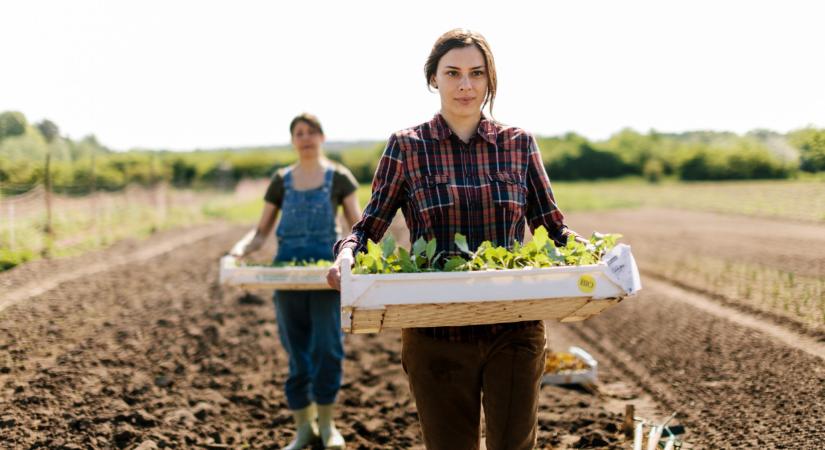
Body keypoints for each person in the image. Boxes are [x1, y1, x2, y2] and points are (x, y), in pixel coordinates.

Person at [327, 29, 588, 450]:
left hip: (513, 325)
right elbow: (369, 226)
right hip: (436, 331)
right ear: (434, 78)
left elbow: (553, 226)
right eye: (453, 73)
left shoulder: (518, 144)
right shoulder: (408, 147)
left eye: (476, 73)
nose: (465, 85)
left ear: (490, 79)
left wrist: (592, 253)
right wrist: (347, 256)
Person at [231, 113, 361, 450]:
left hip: (326, 278)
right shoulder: (281, 180)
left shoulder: (339, 178)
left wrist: (359, 261)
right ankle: (304, 428)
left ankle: (328, 426)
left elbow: (359, 229)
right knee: (297, 353)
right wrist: (239, 251)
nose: (305, 138)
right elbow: (261, 233)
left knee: (328, 350)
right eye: (299, 133)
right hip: (287, 278)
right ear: (293, 140)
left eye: (311, 132)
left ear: (322, 137)